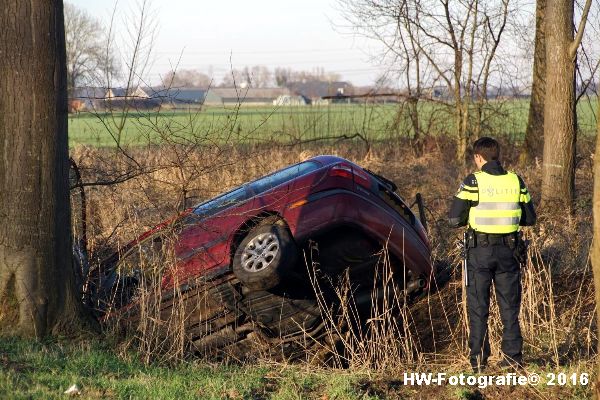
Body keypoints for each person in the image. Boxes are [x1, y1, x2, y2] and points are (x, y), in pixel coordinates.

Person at [448, 137, 536, 373]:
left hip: (480, 253)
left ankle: (478, 362)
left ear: (479, 157)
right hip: (510, 252)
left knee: (478, 308)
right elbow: (529, 218)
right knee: (510, 309)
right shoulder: (516, 181)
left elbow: (454, 219)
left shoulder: (473, 182)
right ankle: (513, 360)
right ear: (496, 155)